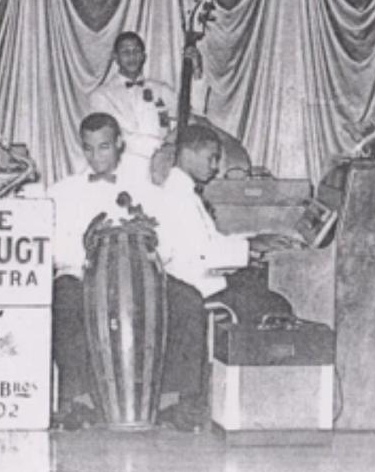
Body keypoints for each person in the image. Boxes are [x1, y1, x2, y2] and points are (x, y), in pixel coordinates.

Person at [150, 123, 301, 431]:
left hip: (200, 280)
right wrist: (251, 247)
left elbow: (212, 241)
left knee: (259, 291)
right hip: (198, 287)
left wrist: (255, 239)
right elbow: (206, 255)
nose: (216, 166)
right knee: (274, 305)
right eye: (212, 157)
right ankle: (263, 400)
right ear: (188, 152)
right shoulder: (178, 198)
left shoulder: (183, 192)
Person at [47, 112, 163, 430]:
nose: (96, 157)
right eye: (88, 148)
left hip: (135, 281)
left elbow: (167, 243)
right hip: (79, 276)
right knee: (66, 302)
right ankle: (77, 399)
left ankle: (172, 399)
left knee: (184, 300)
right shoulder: (61, 192)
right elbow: (54, 249)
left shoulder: (146, 190)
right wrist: (88, 247)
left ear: (119, 145)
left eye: (104, 147)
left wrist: (149, 239)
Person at [88, 32, 201, 180]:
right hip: (125, 171)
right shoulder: (101, 96)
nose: (132, 56)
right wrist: (164, 145)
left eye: (136, 51)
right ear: (115, 57)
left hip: (164, 169)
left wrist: (196, 71)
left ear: (143, 56)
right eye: (125, 52)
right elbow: (117, 136)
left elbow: (191, 118)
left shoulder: (162, 89)